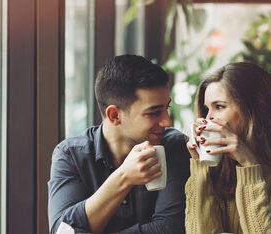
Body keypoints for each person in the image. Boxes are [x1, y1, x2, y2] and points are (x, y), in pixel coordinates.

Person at [48, 54, 191, 234]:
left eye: (166, 108)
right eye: (154, 112)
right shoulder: (71, 155)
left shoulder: (173, 146)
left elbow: (169, 228)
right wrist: (124, 176)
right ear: (114, 115)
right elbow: (63, 230)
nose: (167, 122)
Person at [185, 62, 271, 234]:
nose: (208, 118)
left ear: (254, 110)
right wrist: (200, 166)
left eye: (219, 106)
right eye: (206, 109)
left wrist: (249, 165)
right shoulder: (217, 167)